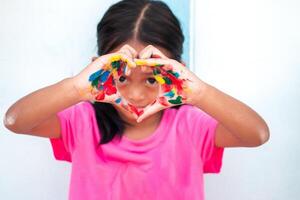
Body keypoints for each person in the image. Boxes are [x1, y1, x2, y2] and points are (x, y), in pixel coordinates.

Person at [3, 0, 270, 199]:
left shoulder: (191, 125)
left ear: (179, 72)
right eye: (122, 78)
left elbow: (257, 134)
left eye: (152, 79)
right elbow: (15, 120)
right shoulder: (82, 121)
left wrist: (198, 92)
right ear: (98, 69)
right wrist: (77, 87)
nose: (136, 95)